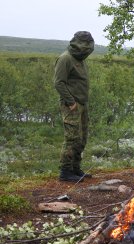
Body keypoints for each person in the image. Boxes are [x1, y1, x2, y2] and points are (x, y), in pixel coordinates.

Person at [54, 31, 94, 182]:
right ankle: (65, 171)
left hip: (82, 104)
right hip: (71, 105)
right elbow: (58, 83)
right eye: (84, 45)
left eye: (88, 45)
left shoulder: (81, 59)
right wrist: (71, 102)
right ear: (77, 43)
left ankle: (75, 168)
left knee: (82, 138)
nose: (86, 48)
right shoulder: (65, 58)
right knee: (71, 138)